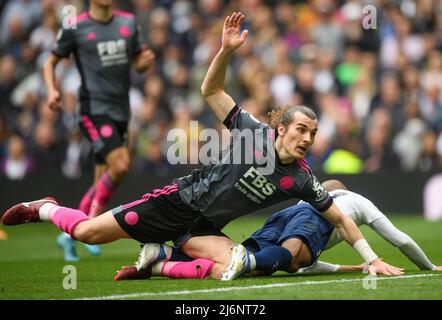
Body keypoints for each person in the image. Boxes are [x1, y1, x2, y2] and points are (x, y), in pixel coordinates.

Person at [2, 12, 401, 280]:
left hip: (205, 226)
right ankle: (47, 208)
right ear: (280, 128)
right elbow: (210, 90)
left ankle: (159, 261)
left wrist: (372, 259)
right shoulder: (252, 132)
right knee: (88, 232)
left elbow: (342, 219)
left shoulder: (301, 179)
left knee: (237, 267)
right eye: (300, 129)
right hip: (176, 203)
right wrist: (226, 51)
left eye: (312, 133)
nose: (307, 139)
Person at [115, 180, 439, 281]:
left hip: (283, 216)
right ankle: (165, 259)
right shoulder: (356, 201)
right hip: (306, 220)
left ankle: (163, 257)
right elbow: (402, 239)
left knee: (252, 263)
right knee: (284, 259)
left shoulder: (306, 200)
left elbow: (303, 264)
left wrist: (349, 266)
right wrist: (429, 267)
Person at [42, 0, 155, 261]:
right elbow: (50, 63)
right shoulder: (76, 26)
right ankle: (87, 224)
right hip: (93, 109)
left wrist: (144, 63)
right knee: (121, 164)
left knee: (103, 177)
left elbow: (139, 64)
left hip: (121, 111)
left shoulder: (128, 23)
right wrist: (52, 90)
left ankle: (71, 233)